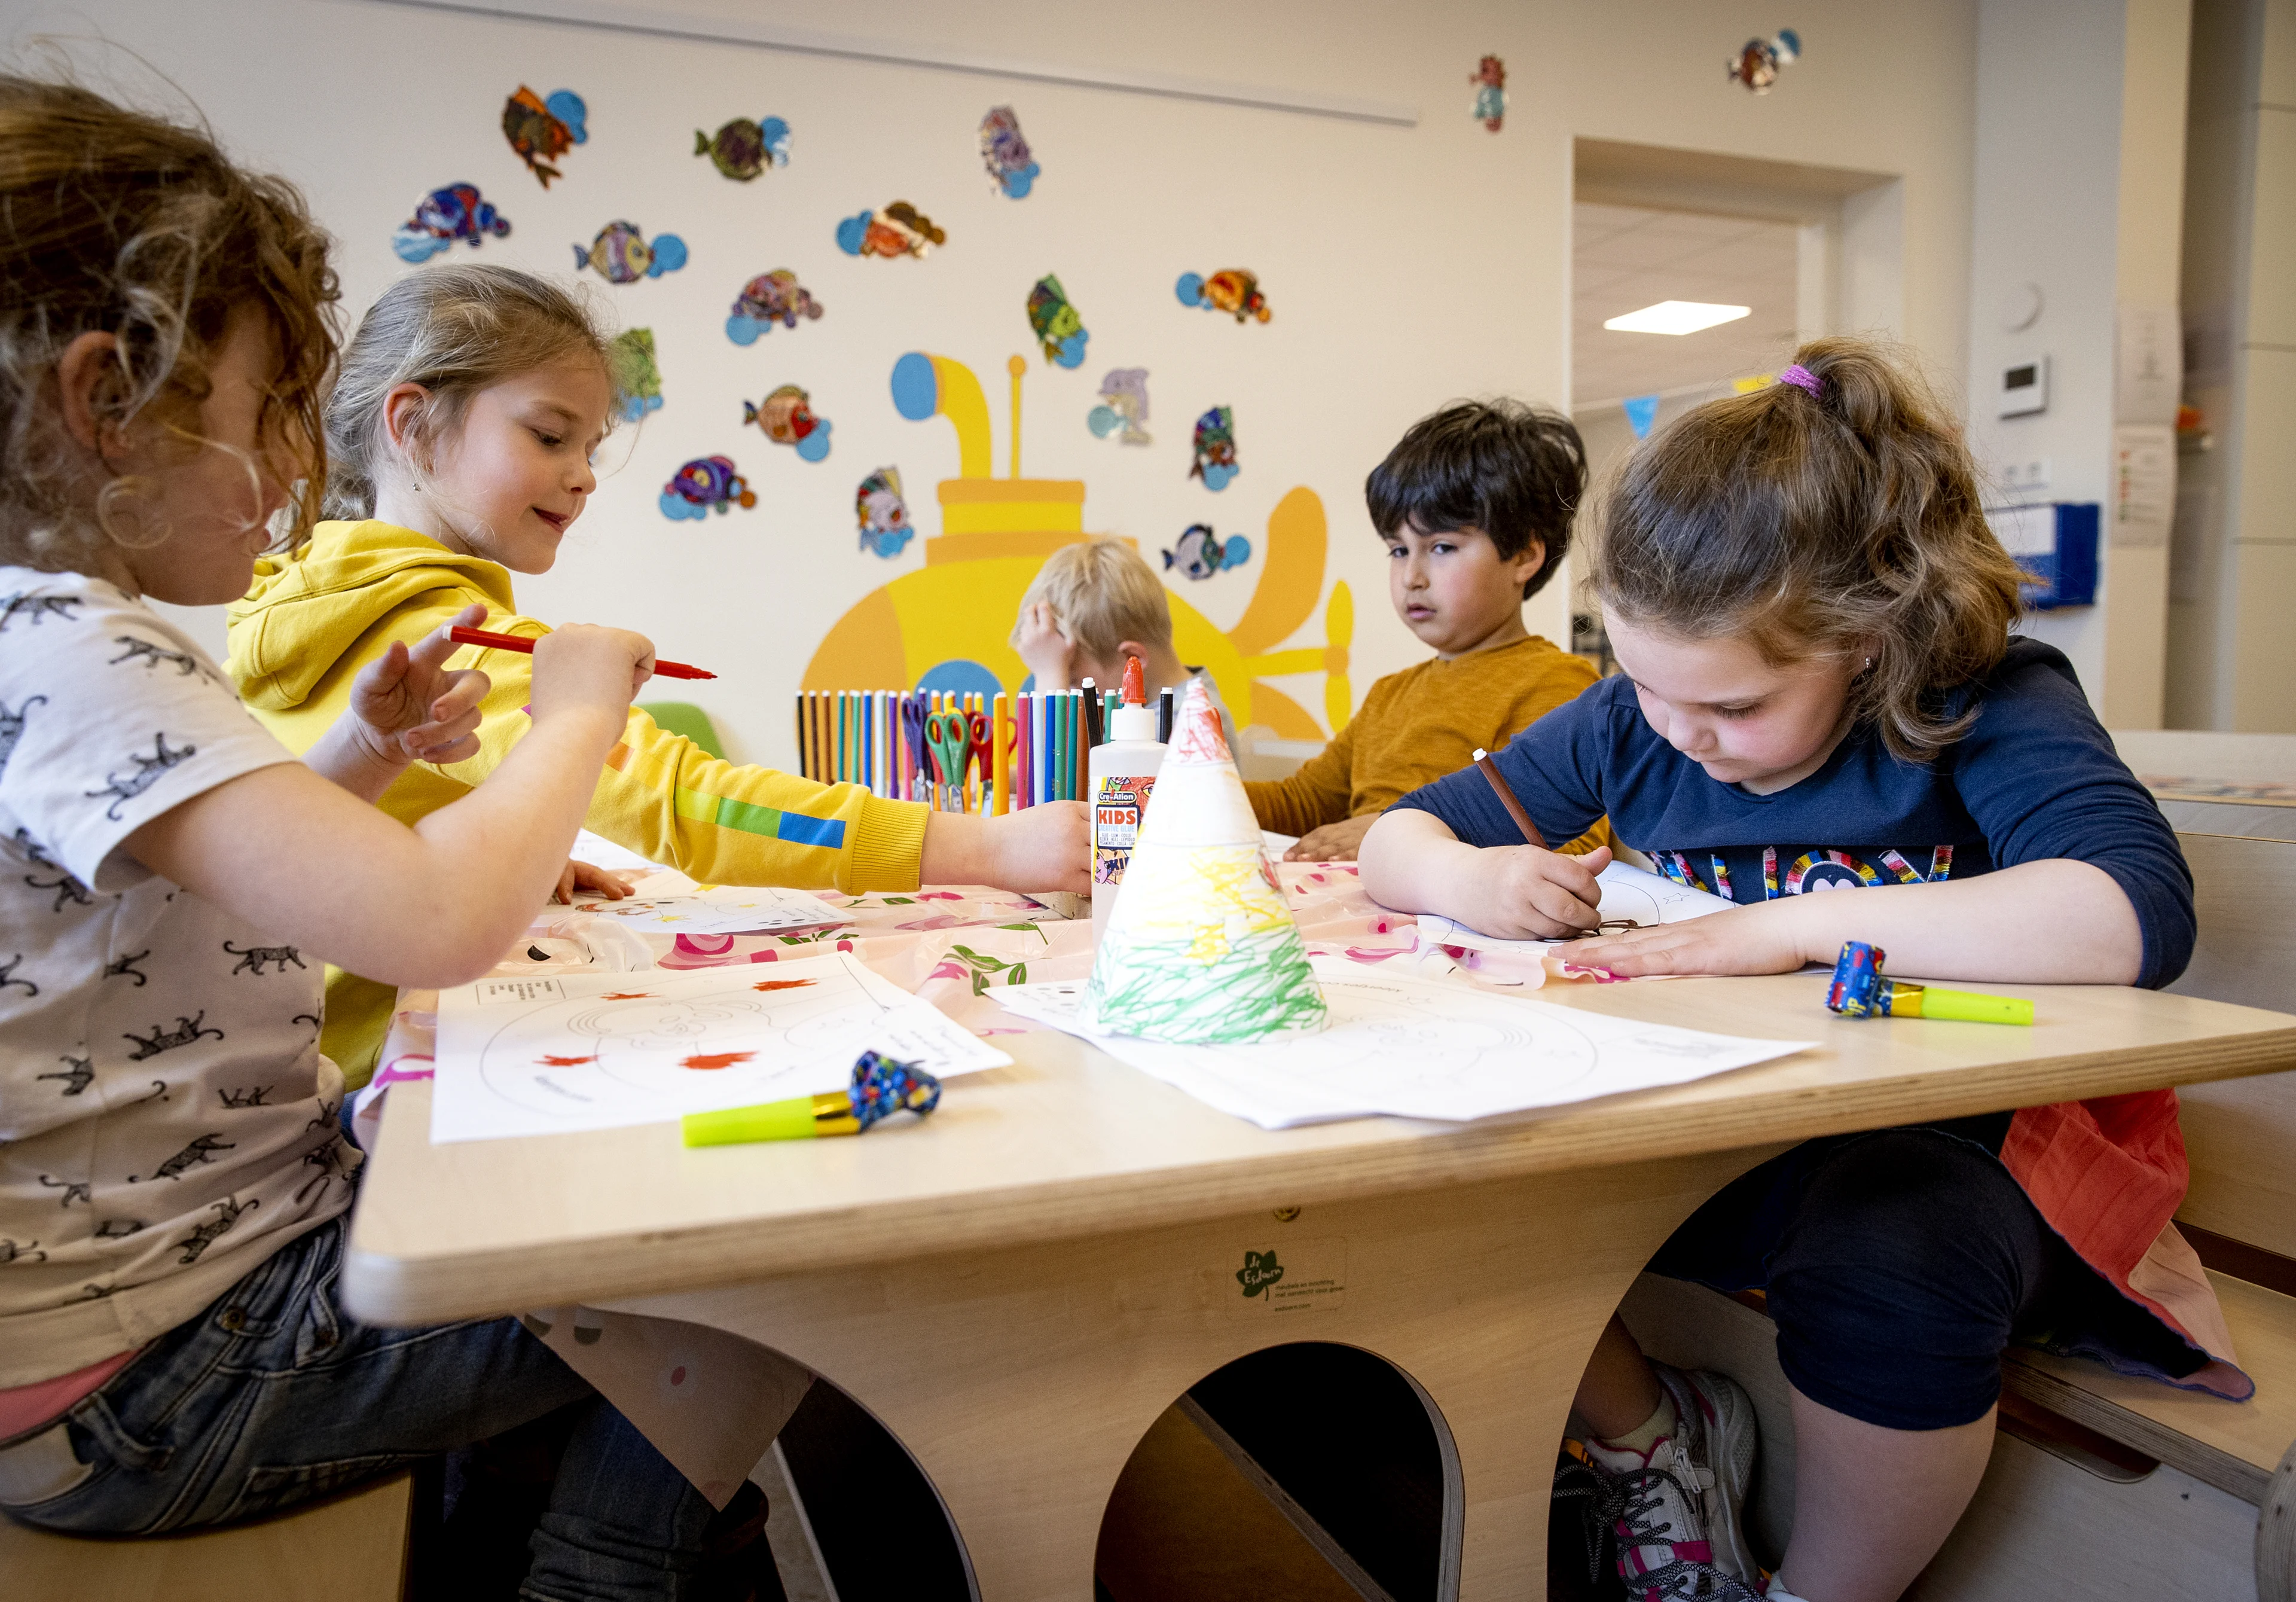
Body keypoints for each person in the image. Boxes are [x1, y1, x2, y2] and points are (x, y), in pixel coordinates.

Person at [0, 78, 776, 1598]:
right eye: (265, 410)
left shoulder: (56, 647)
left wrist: (357, 751)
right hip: (156, 1383)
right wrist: (569, 711)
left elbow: (185, 897)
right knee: (749, 1248)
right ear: (105, 399)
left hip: (154, 1321)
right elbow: (427, 921)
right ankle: (611, 1570)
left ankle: (544, 1520)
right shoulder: (77, 651)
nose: (296, 462)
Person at [1360, 340, 2239, 1602]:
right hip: (1728, 1140)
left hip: (1991, 1161)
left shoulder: (1978, 697)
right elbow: (1399, 838)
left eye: (1737, 706)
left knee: (1893, 1239)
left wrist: (1797, 926)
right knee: (1438, 1165)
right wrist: (1471, 878)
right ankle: (1650, 1440)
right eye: (1654, 688)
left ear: (1872, 641)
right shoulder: (1639, 714)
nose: (1685, 737)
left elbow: (2128, 915)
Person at [228, 264, 1088, 1081]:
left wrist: (522, 846)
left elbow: (369, 818)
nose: (584, 475)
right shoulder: (444, 635)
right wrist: (991, 845)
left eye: (591, 446)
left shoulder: (318, 599)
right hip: (368, 1073)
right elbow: (689, 803)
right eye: (550, 434)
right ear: (411, 423)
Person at [1243, 400, 1604, 860]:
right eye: (1398, 550)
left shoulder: (1557, 685)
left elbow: (1574, 848)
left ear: (1523, 557)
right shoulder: (1388, 696)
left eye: (1441, 546)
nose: (1412, 575)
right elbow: (1302, 804)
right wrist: (1172, 784)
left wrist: (1402, 832)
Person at [1010, 535, 1238, 746]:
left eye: (1070, 680)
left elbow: (1056, 782)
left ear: (1133, 661)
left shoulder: (1188, 722)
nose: (1068, 691)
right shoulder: (1146, 715)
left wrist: (1049, 674)